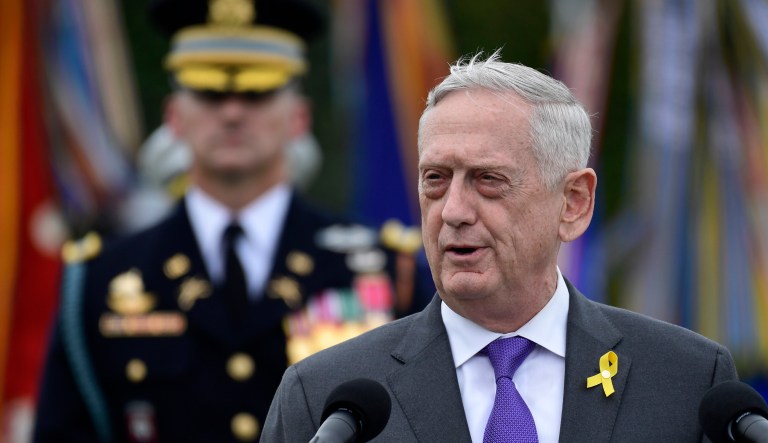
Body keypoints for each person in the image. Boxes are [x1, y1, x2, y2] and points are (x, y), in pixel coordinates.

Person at [261, 51, 739, 442]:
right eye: (435, 180)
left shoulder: (687, 379)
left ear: (573, 202)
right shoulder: (325, 398)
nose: (453, 211)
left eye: (488, 180)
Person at [33, 0, 425, 441]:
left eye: (258, 92)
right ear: (174, 117)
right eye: (210, 93)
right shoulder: (99, 281)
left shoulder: (394, 273)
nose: (233, 112)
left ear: (299, 117)